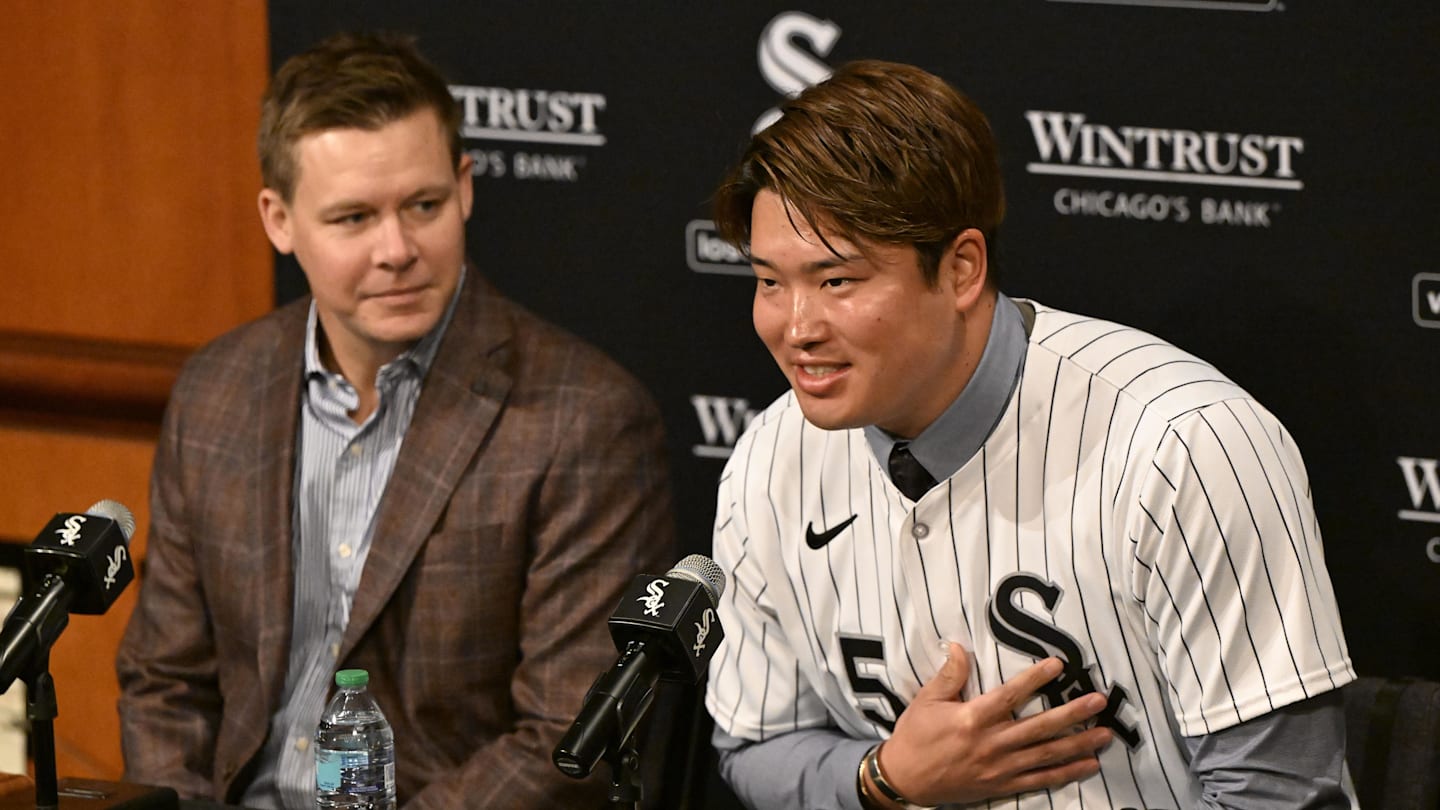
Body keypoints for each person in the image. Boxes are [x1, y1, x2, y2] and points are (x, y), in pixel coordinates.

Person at [704, 60, 1356, 809]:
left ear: (961, 270)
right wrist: (887, 778)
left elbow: (1278, 794)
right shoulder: (770, 457)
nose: (796, 329)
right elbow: (756, 745)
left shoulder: (1185, 444)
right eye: (768, 281)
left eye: (837, 281)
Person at [115, 32, 675, 809]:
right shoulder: (219, 390)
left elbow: (565, 731)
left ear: (466, 187)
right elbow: (164, 679)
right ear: (279, 220)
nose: (397, 249)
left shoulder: (584, 421)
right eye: (352, 218)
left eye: (423, 205)